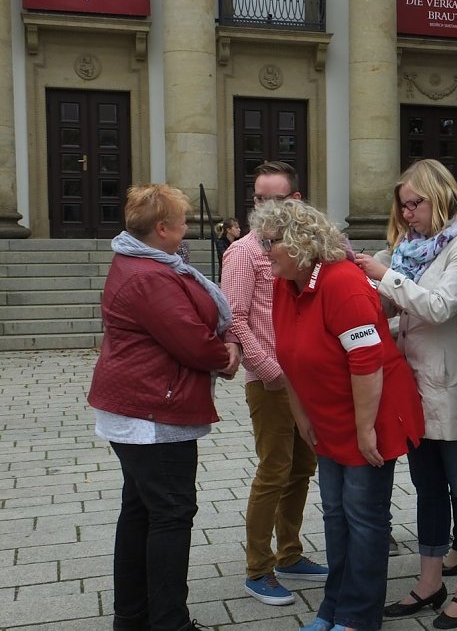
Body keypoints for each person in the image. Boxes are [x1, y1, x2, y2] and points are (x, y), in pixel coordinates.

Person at [253, 198, 425, 631]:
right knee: (335, 513)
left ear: (299, 243)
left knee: (364, 518)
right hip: (327, 417)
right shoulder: (284, 284)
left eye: (271, 242)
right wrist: (301, 415)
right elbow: (288, 356)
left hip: (371, 415)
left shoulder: (342, 283)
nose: (263, 250)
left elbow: (367, 363)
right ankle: (334, 605)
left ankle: (358, 616)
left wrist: (365, 429)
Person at [88, 184, 240, 631]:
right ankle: (169, 623)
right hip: (153, 411)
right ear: (161, 228)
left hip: (139, 406)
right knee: (171, 514)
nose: (187, 227)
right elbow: (191, 341)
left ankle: (133, 618)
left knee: (141, 511)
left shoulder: (143, 262)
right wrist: (225, 356)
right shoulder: (150, 275)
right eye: (182, 221)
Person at [355, 159, 457, 629]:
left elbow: (439, 307)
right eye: (403, 205)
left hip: (454, 389)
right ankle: (430, 581)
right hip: (411, 390)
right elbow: (398, 310)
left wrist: (383, 275)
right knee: (428, 490)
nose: (408, 213)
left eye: (416, 203)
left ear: (442, 196)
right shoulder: (408, 248)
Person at [221, 160, 328, 606]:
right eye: (259, 198)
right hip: (270, 382)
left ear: (295, 201)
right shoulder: (244, 252)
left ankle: (290, 554)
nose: (264, 206)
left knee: (303, 468)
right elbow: (234, 319)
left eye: (275, 198)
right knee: (273, 470)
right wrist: (270, 371)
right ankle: (258, 568)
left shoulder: (300, 249)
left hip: (306, 379)